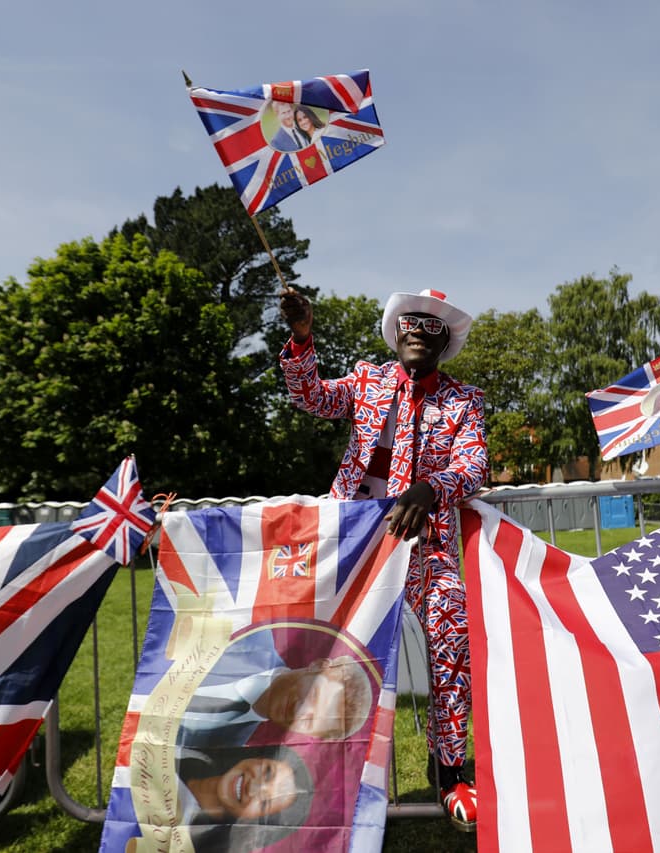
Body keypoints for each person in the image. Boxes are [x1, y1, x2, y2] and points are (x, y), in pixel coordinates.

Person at [278, 286, 486, 830]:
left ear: (445, 342)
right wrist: (303, 339)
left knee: (452, 625)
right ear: (397, 335)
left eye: (431, 325)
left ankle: (450, 772)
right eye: (410, 322)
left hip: (422, 543)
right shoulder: (368, 380)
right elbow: (313, 399)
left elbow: (474, 466)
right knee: (320, 645)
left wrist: (429, 488)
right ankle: (310, 769)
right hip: (351, 540)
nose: (418, 329)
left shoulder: (464, 400)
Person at [177, 628, 373, 747]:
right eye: (314, 696)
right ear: (318, 666)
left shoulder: (227, 745)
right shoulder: (248, 633)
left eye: (310, 721)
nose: (299, 710)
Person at [173, 744, 314, 852]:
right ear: (257, 757)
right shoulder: (189, 749)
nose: (253, 787)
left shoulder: (182, 844)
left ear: (253, 821)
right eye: (267, 772)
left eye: (265, 803)